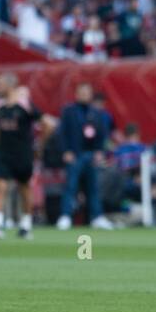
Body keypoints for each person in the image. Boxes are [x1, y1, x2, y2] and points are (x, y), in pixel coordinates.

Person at [0, 74, 46, 239]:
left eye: (0, 84)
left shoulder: (25, 104)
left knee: (24, 188)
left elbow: (46, 124)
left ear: (10, 85)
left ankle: (26, 224)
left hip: (23, 153)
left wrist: (39, 146)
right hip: (3, 153)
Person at [56, 82, 114, 230]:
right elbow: (62, 133)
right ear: (76, 94)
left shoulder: (96, 113)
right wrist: (66, 151)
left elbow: (101, 134)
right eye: (81, 92)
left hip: (91, 154)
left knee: (93, 187)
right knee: (71, 186)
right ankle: (65, 216)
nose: (84, 95)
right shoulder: (69, 111)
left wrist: (100, 151)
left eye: (87, 93)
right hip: (75, 154)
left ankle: (97, 216)